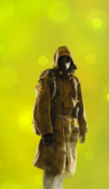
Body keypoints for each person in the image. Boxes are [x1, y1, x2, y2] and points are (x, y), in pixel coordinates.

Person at [32, 46, 88, 189]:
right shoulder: (48, 80)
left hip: (69, 129)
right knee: (51, 166)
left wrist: (82, 128)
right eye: (62, 59)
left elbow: (80, 107)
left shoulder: (74, 81)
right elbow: (41, 108)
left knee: (64, 168)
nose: (65, 63)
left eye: (67, 59)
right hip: (54, 129)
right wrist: (46, 132)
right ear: (56, 60)